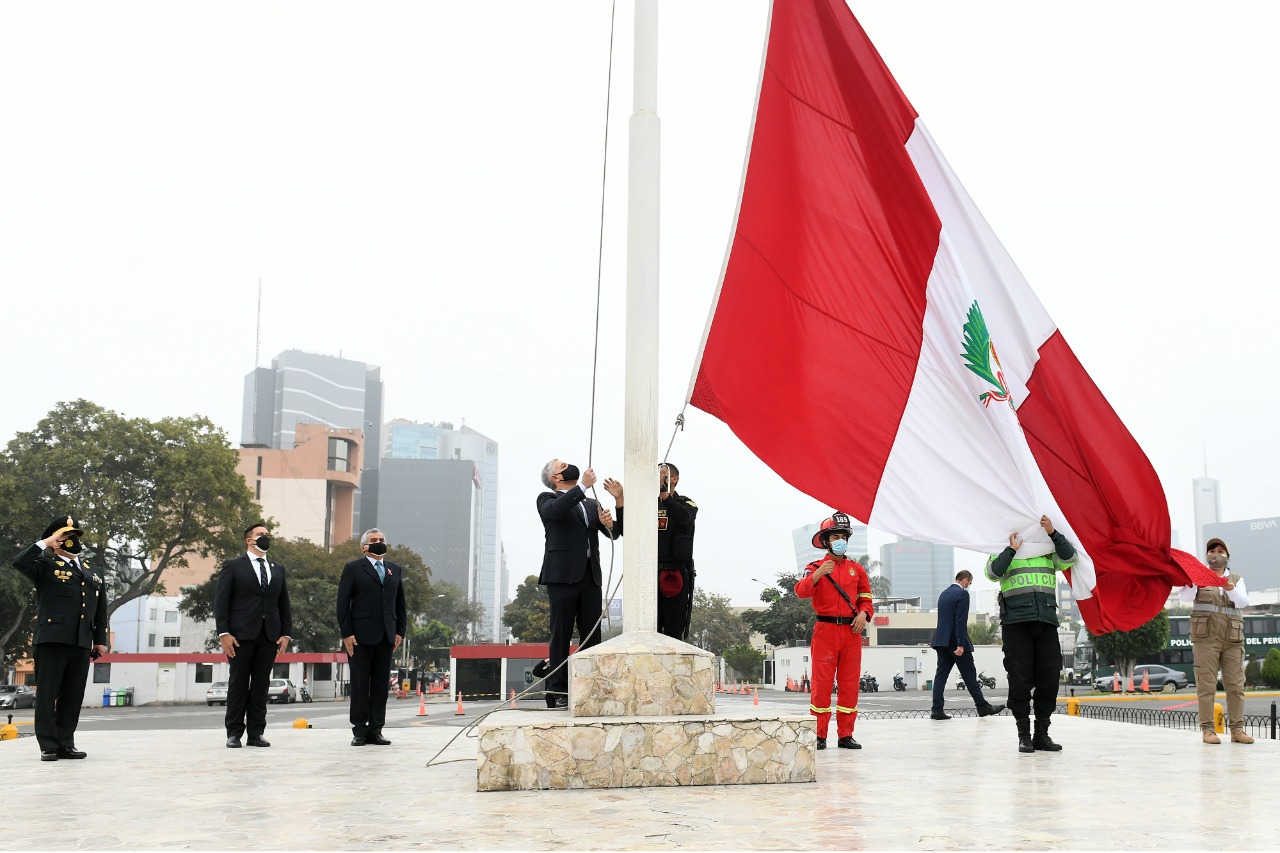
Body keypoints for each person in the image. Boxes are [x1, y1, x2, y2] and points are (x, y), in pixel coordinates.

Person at [9, 515, 108, 761]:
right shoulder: (44, 565)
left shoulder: (93, 572)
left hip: (81, 642)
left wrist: (100, 640)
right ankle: (48, 745)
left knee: (73, 695)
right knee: (47, 694)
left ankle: (66, 742)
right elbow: (19, 562)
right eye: (66, 536)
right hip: (52, 640)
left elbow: (100, 610)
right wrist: (46, 543)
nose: (72, 540)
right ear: (56, 539)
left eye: (74, 535)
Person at [536, 459, 623, 709]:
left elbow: (615, 532)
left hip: (589, 576)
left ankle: (589, 687)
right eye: (563, 465)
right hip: (561, 576)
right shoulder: (547, 499)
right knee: (561, 634)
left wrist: (613, 511)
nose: (570, 465)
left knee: (591, 636)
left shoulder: (590, 503)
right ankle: (558, 690)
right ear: (555, 478)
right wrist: (582, 486)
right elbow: (556, 512)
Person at [984, 515, 1074, 754]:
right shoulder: (1001, 552)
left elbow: (1070, 557)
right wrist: (1011, 550)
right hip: (1016, 623)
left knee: (1050, 678)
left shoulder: (1048, 551)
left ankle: (1041, 734)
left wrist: (1053, 533)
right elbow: (993, 572)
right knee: (1019, 680)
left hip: (1046, 620)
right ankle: (1023, 734)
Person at [795, 511, 874, 750]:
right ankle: (819, 735)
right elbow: (801, 591)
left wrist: (863, 614)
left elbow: (866, 599)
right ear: (826, 541)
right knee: (822, 684)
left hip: (851, 631)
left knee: (850, 684)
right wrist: (818, 575)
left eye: (843, 536)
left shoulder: (856, 569)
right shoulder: (814, 567)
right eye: (835, 536)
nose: (840, 540)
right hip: (825, 630)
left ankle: (845, 735)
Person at [214, 522, 292, 748]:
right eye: (261, 534)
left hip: (269, 636)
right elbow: (221, 602)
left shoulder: (277, 568)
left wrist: (286, 633)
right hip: (240, 636)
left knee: (260, 685)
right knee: (238, 683)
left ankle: (256, 732)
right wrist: (224, 633)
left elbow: (283, 603)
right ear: (249, 540)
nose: (266, 537)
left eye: (267, 534)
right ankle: (234, 732)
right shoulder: (233, 566)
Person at [337, 528, 407, 746]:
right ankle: (359, 730)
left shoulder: (394, 570)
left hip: (386, 636)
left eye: (382, 540)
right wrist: (346, 633)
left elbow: (400, 604)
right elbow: (342, 604)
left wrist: (400, 631)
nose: (378, 543)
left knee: (379, 685)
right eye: (373, 540)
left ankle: (376, 729)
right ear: (363, 547)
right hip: (359, 638)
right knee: (360, 684)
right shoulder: (353, 569)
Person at [1179, 538, 1253, 744]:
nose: (1216, 554)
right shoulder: (1198, 577)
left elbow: (1243, 602)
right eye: (1212, 551)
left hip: (1232, 640)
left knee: (1236, 687)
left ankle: (1237, 731)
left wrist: (1229, 587)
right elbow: (1185, 598)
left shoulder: (1237, 579)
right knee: (1206, 686)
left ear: (1227, 556)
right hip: (1206, 639)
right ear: (1207, 556)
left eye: (1221, 551)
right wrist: (1194, 580)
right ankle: (1208, 731)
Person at [929, 570, 1006, 720]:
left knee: (940, 676)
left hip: (941, 641)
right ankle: (983, 707)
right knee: (970, 675)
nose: (969, 586)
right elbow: (960, 621)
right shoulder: (962, 594)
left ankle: (936, 709)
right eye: (969, 583)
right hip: (955, 642)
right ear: (965, 580)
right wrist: (960, 644)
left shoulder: (943, 594)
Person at [655, 463, 698, 641]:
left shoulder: (687, 503)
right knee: (650, 628)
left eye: (663, 474)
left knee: (674, 628)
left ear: (674, 479)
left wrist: (665, 494)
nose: (659, 477)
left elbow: (682, 517)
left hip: (676, 572)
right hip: (650, 572)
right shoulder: (647, 505)